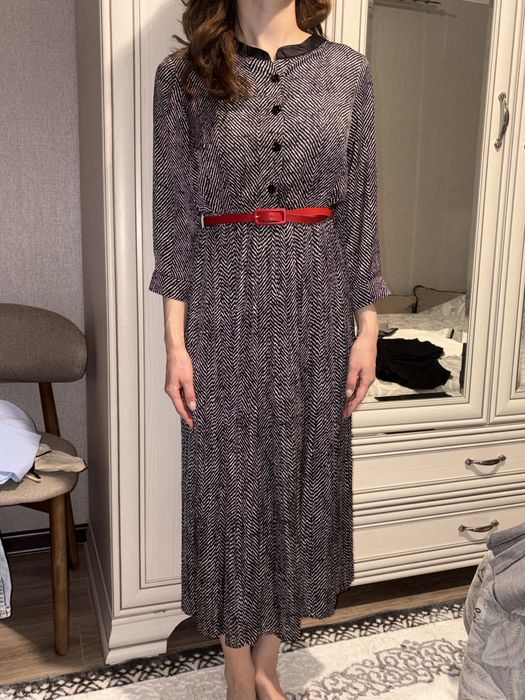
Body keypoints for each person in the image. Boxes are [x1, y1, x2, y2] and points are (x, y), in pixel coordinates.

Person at [148, 0, 391, 697]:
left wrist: (367, 327)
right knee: (229, 482)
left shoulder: (348, 72)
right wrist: (175, 344)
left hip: (318, 301)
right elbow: (174, 218)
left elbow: (361, 209)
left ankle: (269, 661)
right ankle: (236, 665)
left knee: (300, 476)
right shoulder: (184, 75)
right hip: (223, 298)